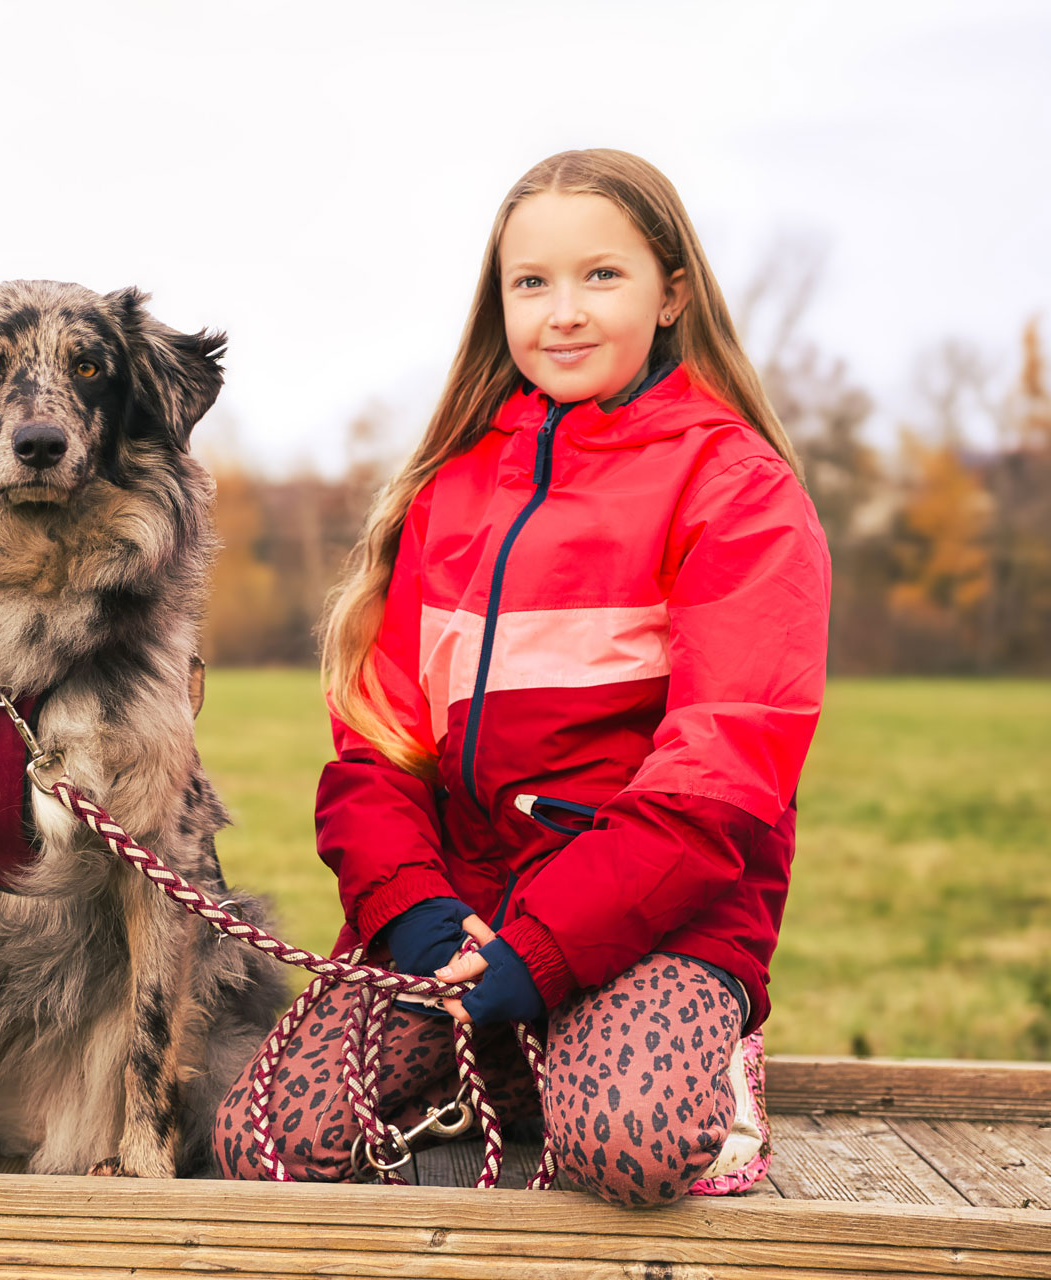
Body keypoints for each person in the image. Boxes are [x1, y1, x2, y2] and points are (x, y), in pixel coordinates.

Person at [212, 149, 829, 1205]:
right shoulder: (449, 491)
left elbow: (714, 790)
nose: (564, 311)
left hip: (656, 918)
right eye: (531, 282)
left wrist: (540, 951)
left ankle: (699, 1065)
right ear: (498, 302)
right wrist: (416, 914)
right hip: (468, 917)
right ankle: (514, 1047)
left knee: (625, 1149)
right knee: (271, 1139)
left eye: (603, 275)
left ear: (672, 290)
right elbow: (376, 750)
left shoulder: (738, 489)